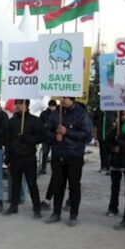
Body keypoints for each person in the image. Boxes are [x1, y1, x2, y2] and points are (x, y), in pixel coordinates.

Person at [45, 97, 93, 226]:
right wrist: (55, 137)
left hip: (74, 155)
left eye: (65, 98)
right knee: (58, 185)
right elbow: (47, 130)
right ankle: (56, 212)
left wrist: (67, 132)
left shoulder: (81, 113)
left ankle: (73, 214)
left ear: (72, 98)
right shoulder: (56, 113)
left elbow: (87, 135)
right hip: (58, 154)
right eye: (61, 97)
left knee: (74, 186)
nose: (63, 100)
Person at [3, 99, 45, 218]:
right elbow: (7, 140)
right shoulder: (12, 122)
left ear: (26, 105)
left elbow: (41, 137)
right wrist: (7, 156)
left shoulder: (35, 121)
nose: (18, 106)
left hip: (28, 157)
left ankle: (37, 208)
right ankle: (13, 206)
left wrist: (27, 138)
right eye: (17, 104)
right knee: (15, 183)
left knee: (32, 183)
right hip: (15, 157)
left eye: (21, 103)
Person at [105, 110, 125, 216]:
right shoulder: (116, 129)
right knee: (115, 187)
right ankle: (113, 208)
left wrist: (123, 145)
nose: (124, 117)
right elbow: (107, 142)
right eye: (122, 115)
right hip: (116, 161)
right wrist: (113, 148)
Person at [94, 109, 117, 174]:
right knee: (102, 151)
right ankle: (103, 166)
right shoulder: (99, 109)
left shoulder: (114, 108)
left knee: (110, 152)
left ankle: (109, 167)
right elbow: (94, 120)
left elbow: (117, 118)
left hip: (110, 134)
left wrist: (115, 122)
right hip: (101, 134)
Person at [39, 100, 57, 175]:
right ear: (49, 106)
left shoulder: (58, 114)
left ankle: (55, 170)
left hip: (54, 137)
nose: (52, 108)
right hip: (46, 137)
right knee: (45, 154)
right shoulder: (44, 114)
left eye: (53, 106)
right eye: (51, 106)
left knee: (55, 155)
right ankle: (43, 168)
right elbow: (40, 124)